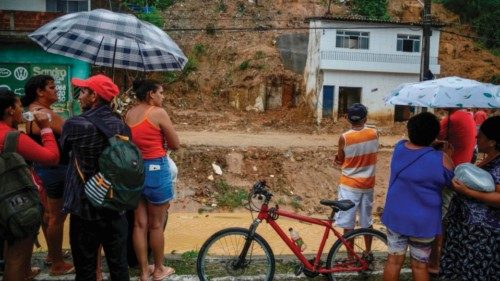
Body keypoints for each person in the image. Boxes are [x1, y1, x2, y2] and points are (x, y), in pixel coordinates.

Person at [60, 74, 130, 280]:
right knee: (119, 267)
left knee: (86, 269)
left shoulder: (75, 124)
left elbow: (63, 152)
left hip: (84, 207)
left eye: (83, 91)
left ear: (94, 96)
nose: (79, 96)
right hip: (115, 205)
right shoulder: (122, 126)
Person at [382, 112, 454, 281]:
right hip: (424, 223)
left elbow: (415, 148)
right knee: (420, 265)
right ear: (436, 134)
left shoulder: (399, 148)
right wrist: (448, 153)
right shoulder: (442, 159)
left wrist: (431, 144)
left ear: (409, 131)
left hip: (396, 217)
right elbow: (452, 183)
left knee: (393, 262)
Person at [0, 88, 59, 281]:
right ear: (10, 110)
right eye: (18, 106)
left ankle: (24, 272)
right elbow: (51, 158)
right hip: (13, 200)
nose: (21, 109)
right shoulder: (10, 136)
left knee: (10, 243)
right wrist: (45, 128)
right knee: (18, 252)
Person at [125, 79, 180, 281]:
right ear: (151, 94)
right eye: (161, 92)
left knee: (140, 224)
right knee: (156, 224)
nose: (162, 97)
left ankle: (143, 272)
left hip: (135, 170)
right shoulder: (158, 113)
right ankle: (158, 269)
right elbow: (175, 144)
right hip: (156, 169)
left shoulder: (129, 114)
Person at [21, 75, 74, 276]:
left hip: (45, 169)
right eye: (52, 87)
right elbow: (70, 131)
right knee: (56, 217)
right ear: (40, 91)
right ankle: (58, 264)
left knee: (49, 215)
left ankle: (53, 255)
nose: (56, 90)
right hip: (55, 170)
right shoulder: (42, 113)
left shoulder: (33, 111)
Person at [440, 116, 500, 280]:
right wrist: (448, 157)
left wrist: (467, 192)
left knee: (474, 272)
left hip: (481, 234)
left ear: (492, 142)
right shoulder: (489, 157)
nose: (476, 138)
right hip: (466, 229)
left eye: (480, 136)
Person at [428, 107, 476, 273]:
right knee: (446, 216)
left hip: (449, 173)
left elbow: (429, 137)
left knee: (438, 217)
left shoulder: (450, 120)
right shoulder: (468, 117)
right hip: (462, 170)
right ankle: (443, 257)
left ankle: (434, 262)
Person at [333, 103, 379, 250]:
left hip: (349, 186)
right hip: (368, 185)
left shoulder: (345, 138)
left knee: (348, 224)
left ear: (348, 119)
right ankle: (368, 252)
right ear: (365, 118)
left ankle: (350, 257)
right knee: (367, 221)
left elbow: (340, 160)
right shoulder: (374, 133)